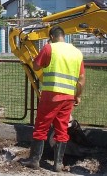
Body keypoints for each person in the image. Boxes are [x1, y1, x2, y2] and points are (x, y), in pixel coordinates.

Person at [20, 26, 85, 172]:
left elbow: (36, 65)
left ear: (51, 36)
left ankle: (34, 160)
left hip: (51, 95)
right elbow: (81, 78)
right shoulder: (77, 52)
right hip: (68, 97)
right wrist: (78, 95)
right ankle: (58, 164)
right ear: (64, 35)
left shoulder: (50, 48)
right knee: (62, 129)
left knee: (41, 127)